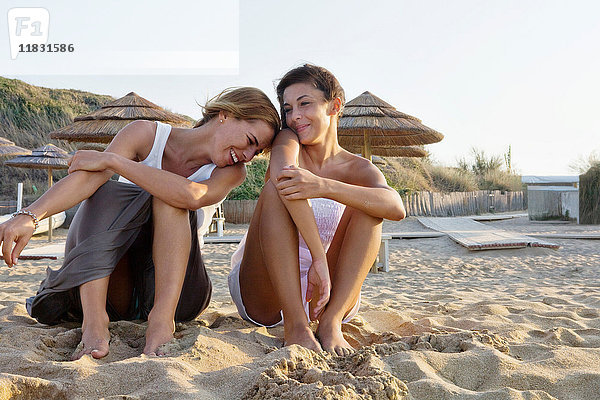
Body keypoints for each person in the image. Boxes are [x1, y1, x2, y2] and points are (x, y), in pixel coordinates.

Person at [0, 87, 280, 360]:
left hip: (178, 293)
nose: (248, 155)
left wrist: (113, 161)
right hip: (117, 282)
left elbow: (191, 195)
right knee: (104, 190)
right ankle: (94, 319)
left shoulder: (232, 172)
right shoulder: (146, 135)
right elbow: (86, 180)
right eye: (251, 140)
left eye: (256, 152)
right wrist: (30, 215)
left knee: (171, 198)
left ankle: (161, 321)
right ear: (226, 114)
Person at [228, 65, 406, 356]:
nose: (294, 116)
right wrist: (318, 259)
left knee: (371, 205)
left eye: (304, 103)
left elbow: (395, 207)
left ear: (334, 105)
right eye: (288, 108)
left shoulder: (358, 168)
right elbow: (283, 175)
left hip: (324, 294)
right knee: (278, 186)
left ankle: (331, 323)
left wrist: (324, 186)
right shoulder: (288, 142)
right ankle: (296, 326)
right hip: (267, 290)